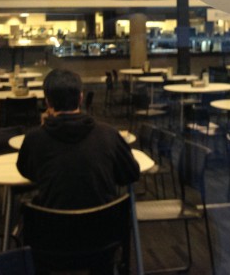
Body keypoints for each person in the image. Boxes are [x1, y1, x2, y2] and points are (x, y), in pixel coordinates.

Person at [17, 69, 139, 209]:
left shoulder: (34, 139)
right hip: (104, 221)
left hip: (51, 222)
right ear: (81, 98)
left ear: (47, 102)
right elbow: (131, 174)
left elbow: (27, 172)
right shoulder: (109, 134)